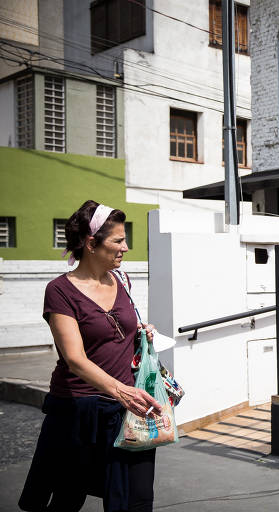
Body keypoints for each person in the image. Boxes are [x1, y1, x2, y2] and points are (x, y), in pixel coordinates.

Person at [19, 200, 159, 512]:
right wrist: (122, 391)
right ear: (91, 243)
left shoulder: (121, 279)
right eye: (118, 240)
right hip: (77, 411)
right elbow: (75, 359)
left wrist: (142, 333)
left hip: (124, 411)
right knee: (67, 497)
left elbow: (117, 332)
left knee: (134, 498)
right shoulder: (60, 291)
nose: (126, 247)